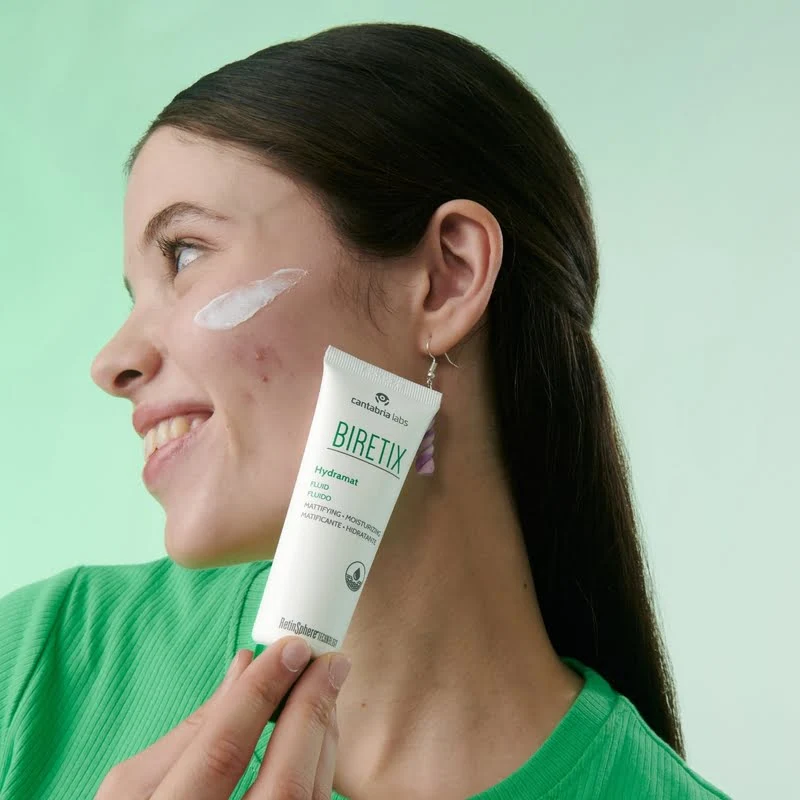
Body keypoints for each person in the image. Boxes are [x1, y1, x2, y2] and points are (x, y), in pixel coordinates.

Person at [0, 21, 731, 800]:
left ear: (446, 278)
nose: (112, 361)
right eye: (133, 293)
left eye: (183, 254)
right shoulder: (41, 663)